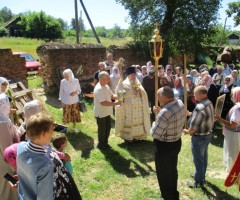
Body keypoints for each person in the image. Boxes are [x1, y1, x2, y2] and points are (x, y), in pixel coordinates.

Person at [151, 86, 185, 200]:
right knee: (172, 170)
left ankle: (168, 197)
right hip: (176, 142)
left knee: (164, 174)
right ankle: (174, 194)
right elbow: (172, 118)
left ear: (165, 98)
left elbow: (155, 134)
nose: (157, 98)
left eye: (158, 96)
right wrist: (161, 112)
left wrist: (154, 123)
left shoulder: (165, 112)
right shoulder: (179, 103)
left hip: (164, 146)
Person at [17, 114, 55, 200]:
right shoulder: (45, 164)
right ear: (44, 135)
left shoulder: (21, 146)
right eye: (51, 132)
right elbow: (45, 197)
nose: (52, 135)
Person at [183, 86, 214, 188]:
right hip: (207, 135)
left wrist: (187, 131)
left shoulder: (199, 107)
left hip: (199, 137)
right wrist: (190, 114)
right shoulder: (209, 103)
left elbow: (194, 126)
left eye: (195, 93)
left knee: (198, 159)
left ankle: (198, 182)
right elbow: (203, 117)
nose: (194, 95)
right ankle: (200, 175)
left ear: (200, 94)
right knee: (203, 157)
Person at [115, 66, 151, 142]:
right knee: (129, 121)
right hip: (128, 107)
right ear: (128, 75)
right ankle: (129, 138)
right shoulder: (123, 83)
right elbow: (120, 95)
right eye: (132, 75)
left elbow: (143, 93)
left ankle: (139, 136)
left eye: (134, 74)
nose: (133, 76)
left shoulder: (137, 83)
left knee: (139, 120)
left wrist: (140, 92)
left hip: (138, 107)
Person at [215, 87, 240, 172]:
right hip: (235, 133)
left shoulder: (237, 109)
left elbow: (232, 125)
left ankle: (232, 172)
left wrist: (219, 118)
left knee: (233, 152)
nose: (231, 96)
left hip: (234, 134)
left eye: (233, 94)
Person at [94, 71, 121, 150]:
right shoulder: (99, 89)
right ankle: (101, 144)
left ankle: (105, 143)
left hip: (107, 112)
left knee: (108, 128)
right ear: (102, 79)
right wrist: (116, 104)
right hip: (101, 112)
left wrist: (120, 96)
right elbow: (103, 103)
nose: (109, 80)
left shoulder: (106, 86)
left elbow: (112, 95)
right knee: (102, 129)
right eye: (107, 78)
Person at [0, 93, 19, 200]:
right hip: (6, 167)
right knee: (8, 195)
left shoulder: (3, 119)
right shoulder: (2, 123)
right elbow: (7, 150)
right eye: (9, 105)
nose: (10, 107)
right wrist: (15, 168)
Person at [59, 69, 81, 133]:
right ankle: (65, 129)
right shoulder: (62, 81)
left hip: (74, 101)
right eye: (65, 76)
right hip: (66, 101)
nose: (66, 77)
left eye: (67, 76)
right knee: (66, 114)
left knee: (74, 114)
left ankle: (74, 128)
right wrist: (61, 100)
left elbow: (79, 90)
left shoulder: (76, 81)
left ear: (70, 75)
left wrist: (75, 92)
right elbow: (61, 92)